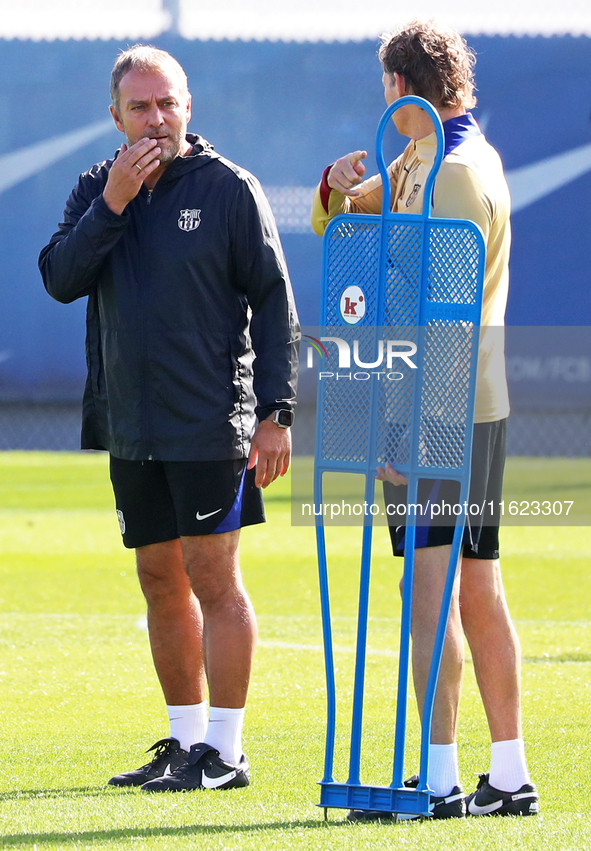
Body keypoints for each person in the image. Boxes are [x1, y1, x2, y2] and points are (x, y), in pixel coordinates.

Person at [40, 45, 299, 793]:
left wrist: (275, 413)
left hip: (210, 421)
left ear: (189, 106)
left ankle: (225, 750)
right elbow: (59, 279)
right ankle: (184, 742)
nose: (157, 119)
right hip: (131, 422)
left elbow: (273, 301)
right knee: (158, 576)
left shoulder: (227, 188)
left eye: (169, 104)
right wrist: (114, 203)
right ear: (115, 116)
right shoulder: (97, 188)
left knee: (213, 577)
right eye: (142, 107)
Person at [311, 20, 538, 819]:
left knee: (429, 588)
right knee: (472, 587)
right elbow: (348, 219)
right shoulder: (433, 156)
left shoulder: (450, 174)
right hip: (468, 409)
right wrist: (336, 183)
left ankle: (438, 778)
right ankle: (506, 775)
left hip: (441, 410)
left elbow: (442, 321)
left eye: (385, 89)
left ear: (400, 88)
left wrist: (408, 434)